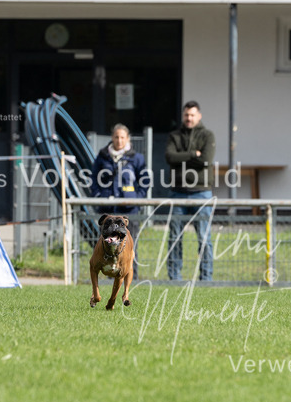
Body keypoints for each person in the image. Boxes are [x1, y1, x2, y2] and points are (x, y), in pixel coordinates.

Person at [90, 123, 150, 277]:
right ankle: (109, 277)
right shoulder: (103, 156)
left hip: (128, 211)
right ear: (112, 138)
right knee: (107, 245)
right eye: (116, 137)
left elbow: (145, 180)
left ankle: (131, 277)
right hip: (108, 210)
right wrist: (98, 196)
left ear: (127, 139)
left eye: (122, 137)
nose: (119, 140)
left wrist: (137, 198)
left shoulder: (136, 158)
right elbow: (94, 178)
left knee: (130, 245)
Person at [164, 100, 215, 282]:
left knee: (204, 238)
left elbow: (206, 160)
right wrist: (194, 154)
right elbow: (170, 157)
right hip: (178, 191)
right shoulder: (174, 136)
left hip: (201, 192)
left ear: (199, 116)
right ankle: (175, 278)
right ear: (183, 116)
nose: (189, 118)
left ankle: (206, 278)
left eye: (192, 115)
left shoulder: (207, 136)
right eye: (186, 115)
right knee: (175, 238)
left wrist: (182, 159)